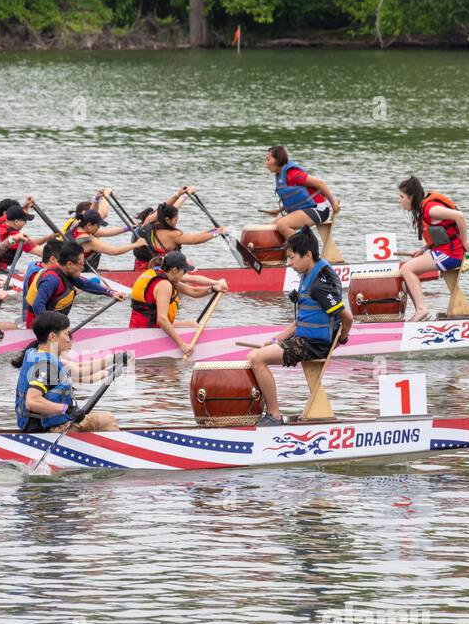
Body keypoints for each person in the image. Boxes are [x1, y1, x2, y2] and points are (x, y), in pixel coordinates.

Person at [246, 228, 353, 426]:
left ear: (308, 255)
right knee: (259, 353)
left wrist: (341, 340)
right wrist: (275, 340)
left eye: (292, 257)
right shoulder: (308, 274)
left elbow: (347, 318)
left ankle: (274, 415)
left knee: (256, 359)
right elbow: (300, 322)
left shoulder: (319, 285)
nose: (289, 262)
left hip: (314, 344)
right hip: (305, 339)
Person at [14, 310, 121, 433]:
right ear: (53, 337)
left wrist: (112, 361)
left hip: (44, 425)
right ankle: (121, 450)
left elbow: (79, 370)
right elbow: (32, 402)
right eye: (66, 334)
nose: (69, 339)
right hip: (47, 429)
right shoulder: (46, 366)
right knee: (108, 419)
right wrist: (66, 409)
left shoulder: (40, 354)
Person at [397, 176, 469, 321]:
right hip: (442, 250)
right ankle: (420, 310)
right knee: (406, 271)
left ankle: (421, 309)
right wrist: (424, 248)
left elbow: (460, 217)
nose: (400, 201)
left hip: (451, 254)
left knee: (406, 269)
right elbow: (438, 233)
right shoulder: (422, 208)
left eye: (402, 197)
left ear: (411, 197)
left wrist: (465, 240)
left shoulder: (431, 209)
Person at [128, 251, 227, 355]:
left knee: (192, 324)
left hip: (142, 325)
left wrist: (213, 288)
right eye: (184, 271)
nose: (185, 274)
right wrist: (182, 344)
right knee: (172, 371)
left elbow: (192, 291)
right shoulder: (164, 285)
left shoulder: (161, 274)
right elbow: (162, 319)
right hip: (146, 332)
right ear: (175, 270)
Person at [25, 239, 124, 327]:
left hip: (55, 325)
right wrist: (49, 331)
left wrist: (111, 292)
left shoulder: (65, 271)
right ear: (69, 264)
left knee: (62, 346)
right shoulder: (51, 279)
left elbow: (86, 284)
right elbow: (37, 305)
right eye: (81, 264)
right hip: (39, 330)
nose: (82, 267)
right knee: (54, 348)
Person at [130, 192, 226, 272]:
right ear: (167, 219)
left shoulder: (148, 223)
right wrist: (217, 233)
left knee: (185, 262)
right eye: (176, 220)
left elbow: (168, 209)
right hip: (158, 272)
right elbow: (195, 239)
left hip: (140, 269)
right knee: (186, 264)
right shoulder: (172, 235)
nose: (177, 222)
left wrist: (183, 195)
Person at [264, 145, 339, 238]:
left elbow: (320, 184)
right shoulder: (280, 176)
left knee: (283, 225)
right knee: (270, 227)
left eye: (268, 160)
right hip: (305, 209)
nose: (266, 164)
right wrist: (279, 210)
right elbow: (296, 198)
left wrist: (333, 203)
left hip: (318, 209)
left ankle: (302, 250)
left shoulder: (293, 174)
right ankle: (284, 250)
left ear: (278, 159)